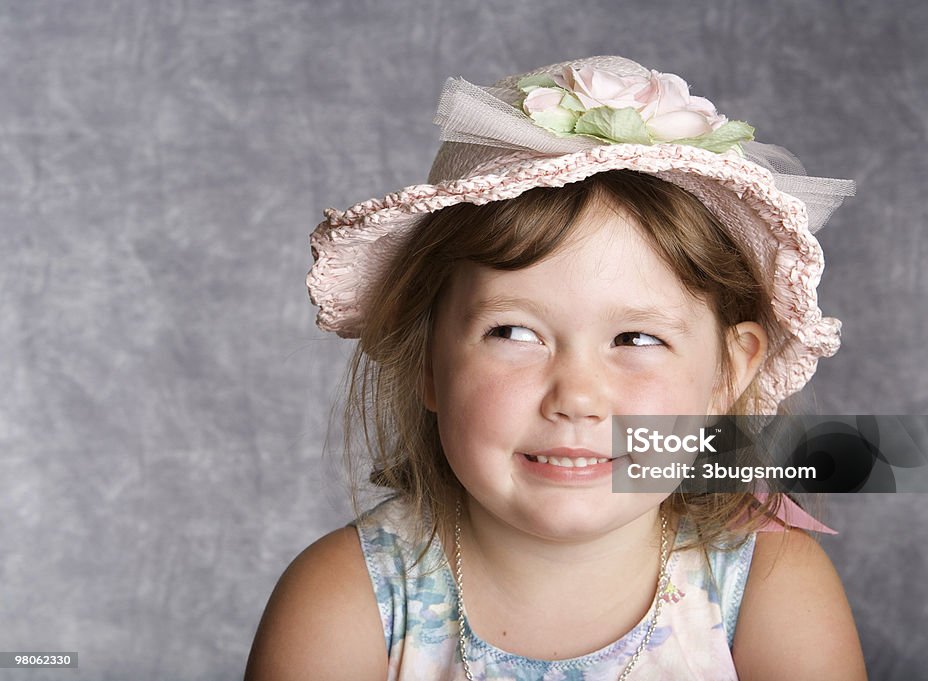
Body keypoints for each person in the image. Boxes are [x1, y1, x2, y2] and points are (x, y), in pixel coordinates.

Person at [245, 56, 868, 680]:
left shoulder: (770, 586)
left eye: (635, 337)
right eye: (513, 332)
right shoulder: (346, 597)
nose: (576, 397)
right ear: (430, 364)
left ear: (728, 373)